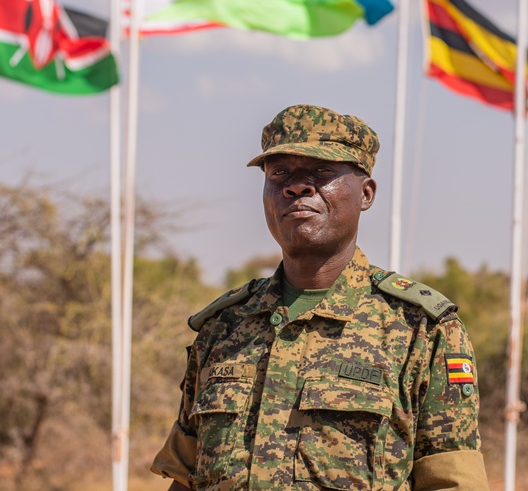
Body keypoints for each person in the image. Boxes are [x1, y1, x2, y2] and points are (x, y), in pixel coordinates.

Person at [151, 103, 489, 490]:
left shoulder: (421, 331)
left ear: (366, 194)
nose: (296, 185)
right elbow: (186, 476)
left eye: (322, 171)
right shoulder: (222, 328)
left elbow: (452, 482)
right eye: (279, 173)